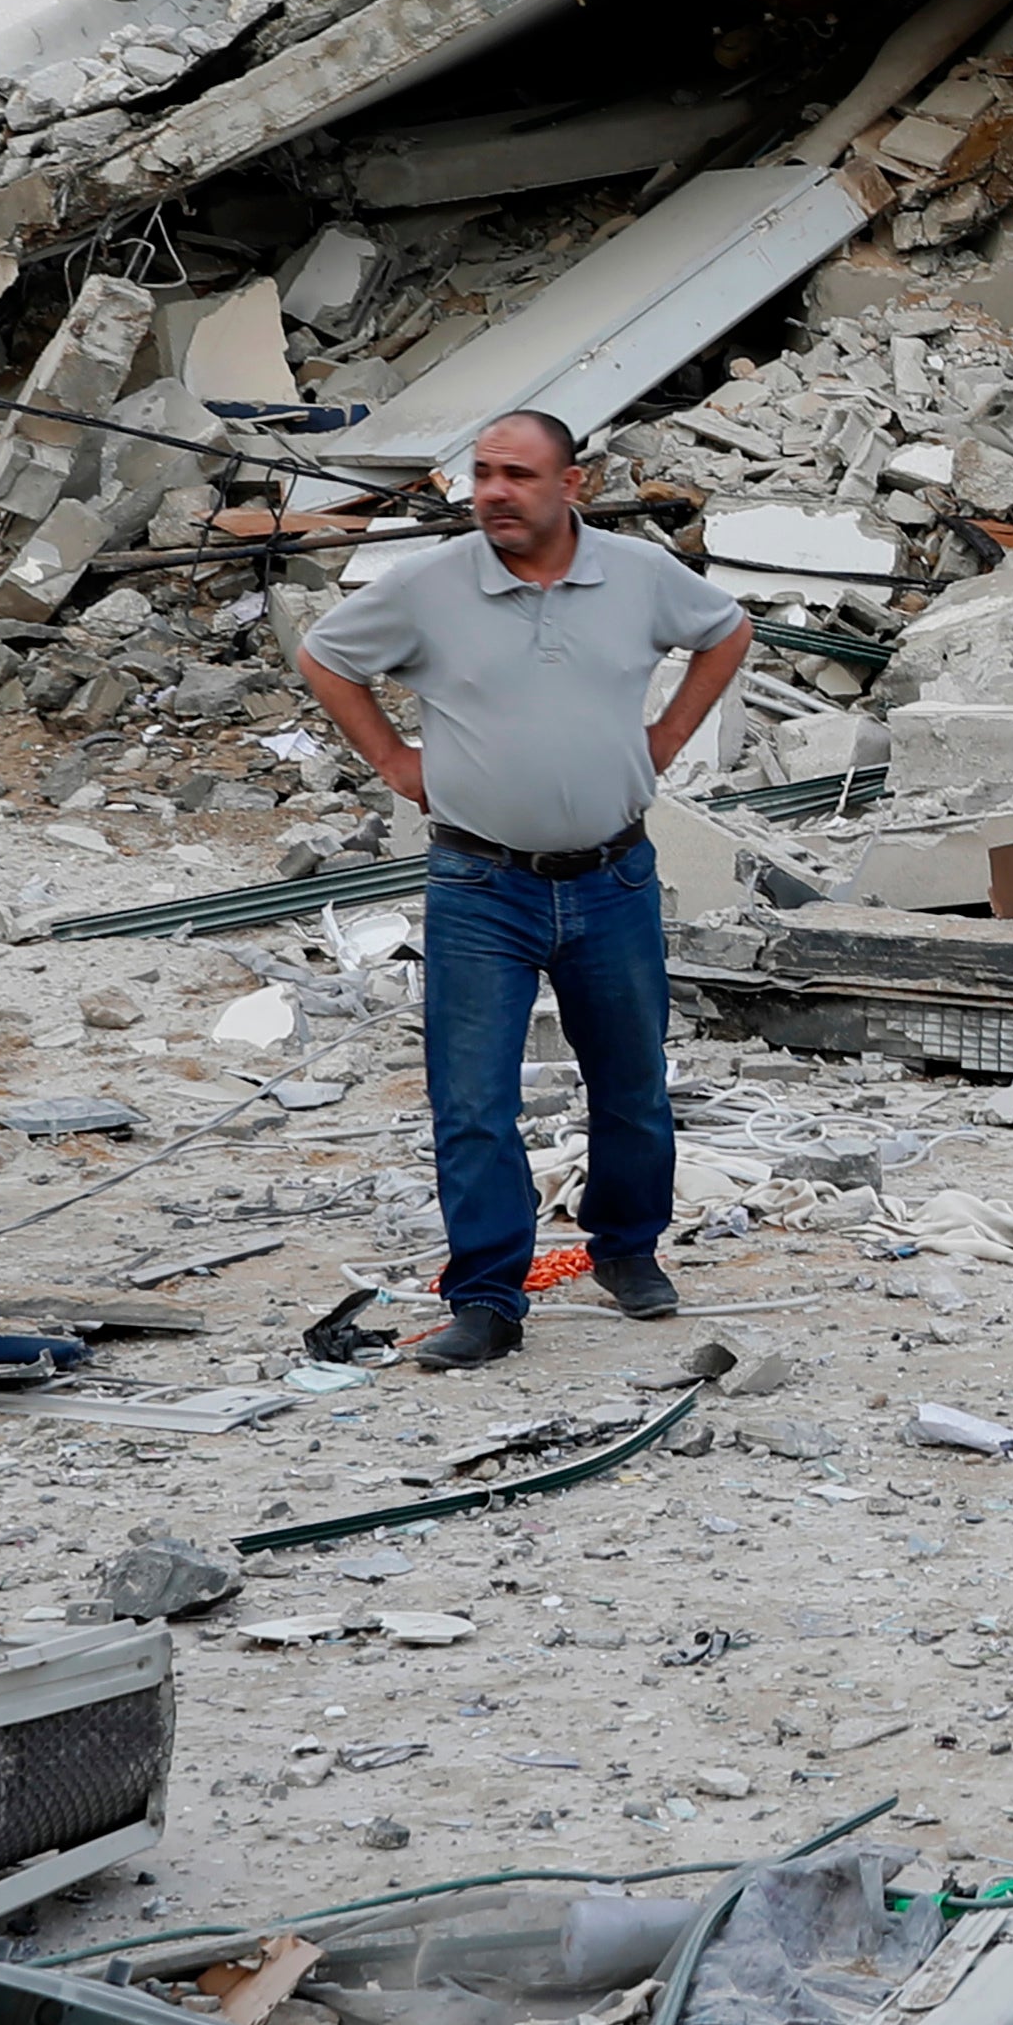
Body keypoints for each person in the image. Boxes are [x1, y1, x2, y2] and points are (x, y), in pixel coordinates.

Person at [296, 410, 753, 1370]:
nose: (493, 491)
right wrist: (389, 756)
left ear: (570, 485)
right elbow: (325, 658)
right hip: (480, 883)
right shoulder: (428, 586)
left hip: (613, 878)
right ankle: (489, 1299)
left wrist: (663, 740)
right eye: (482, 473)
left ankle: (627, 1252)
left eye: (517, 474)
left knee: (630, 1086)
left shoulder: (634, 574)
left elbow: (725, 630)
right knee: (472, 1100)